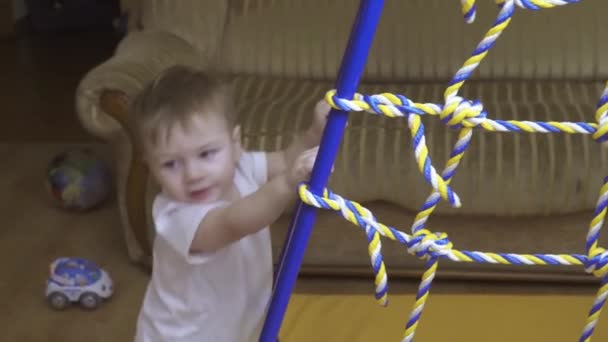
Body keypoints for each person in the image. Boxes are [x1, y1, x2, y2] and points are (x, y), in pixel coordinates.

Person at [129, 65, 330, 342]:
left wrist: (316, 133)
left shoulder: (242, 166)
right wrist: (286, 184)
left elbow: (286, 160)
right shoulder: (175, 217)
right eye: (171, 164)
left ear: (235, 144)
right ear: (150, 167)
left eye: (206, 154)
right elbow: (234, 222)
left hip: (239, 324)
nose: (193, 174)